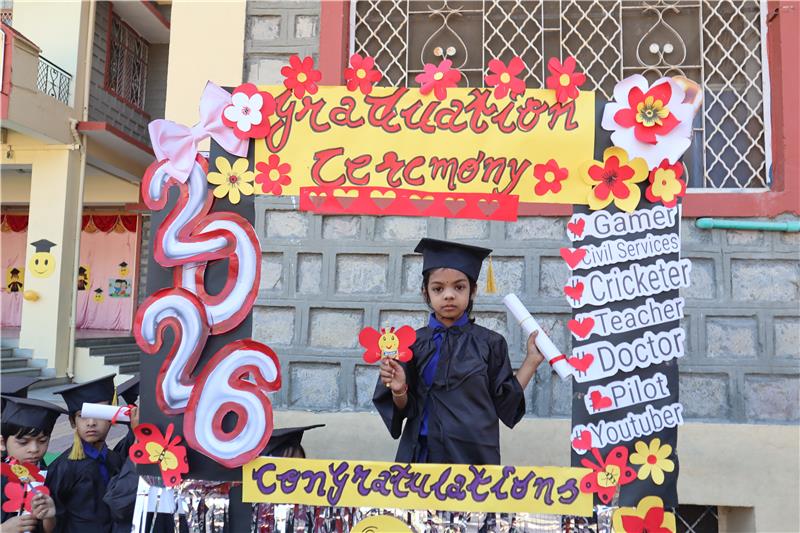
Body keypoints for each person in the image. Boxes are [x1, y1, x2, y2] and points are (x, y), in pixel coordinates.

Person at [373, 238, 544, 465]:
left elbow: (504, 401)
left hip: (475, 456)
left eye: (459, 287)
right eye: (438, 288)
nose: (449, 295)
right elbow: (403, 410)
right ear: (426, 293)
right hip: (423, 456)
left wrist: (531, 361)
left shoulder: (490, 343)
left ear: (473, 290)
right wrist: (398, 390)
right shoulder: (410, 344)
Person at [46, 375, 123, 533]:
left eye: (99, 414)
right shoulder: (63, 468)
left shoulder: (116, 460)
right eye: (82, 416)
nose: (91, 422)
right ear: (72, 421)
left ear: (111, 418)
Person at [1, 395, 64, 533]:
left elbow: (49, 528)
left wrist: (49, 517)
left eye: (42, 441)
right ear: (2, 443)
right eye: (23, 442)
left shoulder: (48, 474)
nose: (34, 449)